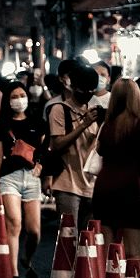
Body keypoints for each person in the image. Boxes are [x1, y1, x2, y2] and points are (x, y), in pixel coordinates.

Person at [91, 78, 140, 259]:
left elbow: (100, 151)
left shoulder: (107, 126)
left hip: (104, 188)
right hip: (130, 190)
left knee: (107, 249)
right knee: (134, 252)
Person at [0, 82, 46, 278]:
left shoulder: (37, 122)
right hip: (9, 178)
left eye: (22, 95)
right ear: (8, 100)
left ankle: (27, 259)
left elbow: (43, 149)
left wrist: (41, 166)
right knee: (14, 223)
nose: (19, 99)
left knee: (34, 231)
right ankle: (13, 272)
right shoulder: (1, 125)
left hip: (32, 178)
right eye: (14, 96)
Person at [46, 62, 103, 228]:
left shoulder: (94, 110)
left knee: (88, 241)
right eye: (83, 90)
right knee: (69, 237)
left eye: (91, 91)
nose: (87, 94)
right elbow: (57, 144)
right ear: (73, 86)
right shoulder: (59, 109)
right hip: (67, 185)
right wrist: (83, 125)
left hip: (91, 184)